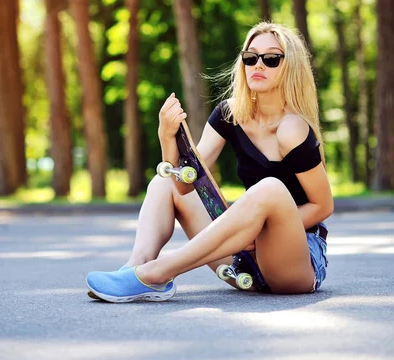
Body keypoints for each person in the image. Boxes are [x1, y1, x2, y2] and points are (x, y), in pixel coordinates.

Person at [86, 21, 333, 302]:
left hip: (295, 261)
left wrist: (260, 232)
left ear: (291, 67)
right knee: (163, 183)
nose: (258, 65)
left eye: (271, 59)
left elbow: (323, 205)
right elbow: (185, 186)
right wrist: (167, 137)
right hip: (244, 256)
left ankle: (157, 272)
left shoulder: (293, 128)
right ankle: (136, 268)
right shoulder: (230, 113)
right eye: (250, 58)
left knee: (270, 189)